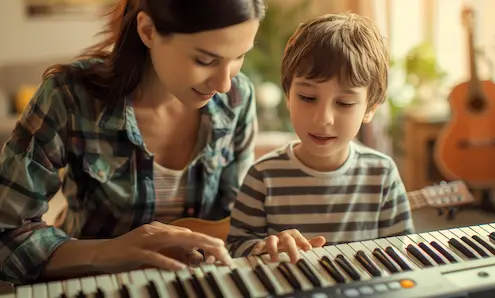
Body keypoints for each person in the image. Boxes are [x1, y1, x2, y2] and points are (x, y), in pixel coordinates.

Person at [0, 0, 266, 285]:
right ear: (148, 31)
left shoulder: (237, 99)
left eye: (239, 57)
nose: (224, 83)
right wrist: (111, 251)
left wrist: (267, 238)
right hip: (93, 283)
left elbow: (238, 222)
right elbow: (7, 236)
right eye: (205, 60)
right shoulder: (69, 97)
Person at [226, 13, 415, 263]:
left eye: (345, 102)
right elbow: (235, 247)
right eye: (307, 97)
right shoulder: (263, 176)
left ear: (370, 108)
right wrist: (263, 247)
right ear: (288, 96)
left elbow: (400, 251)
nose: (322, 118)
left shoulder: (382, 173)